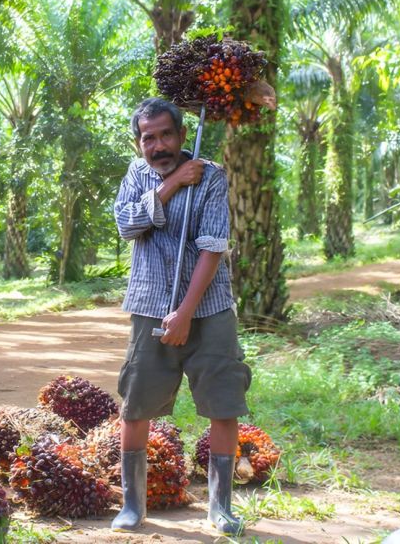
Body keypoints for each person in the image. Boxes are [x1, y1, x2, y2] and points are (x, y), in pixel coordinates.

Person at [112, 97, 252, 535]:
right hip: (148, 303)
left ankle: (220, 508)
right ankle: (132, 507)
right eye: (148, 138)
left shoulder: (210, 176)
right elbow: (126, 225)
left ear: (182, 134)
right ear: (139, 143)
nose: (158, 146)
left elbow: (212, 247)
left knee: (223, 403)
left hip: (208, 309)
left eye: (166, 135)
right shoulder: (136, 175)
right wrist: (171, 185)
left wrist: (186, 313)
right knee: (136, 406)